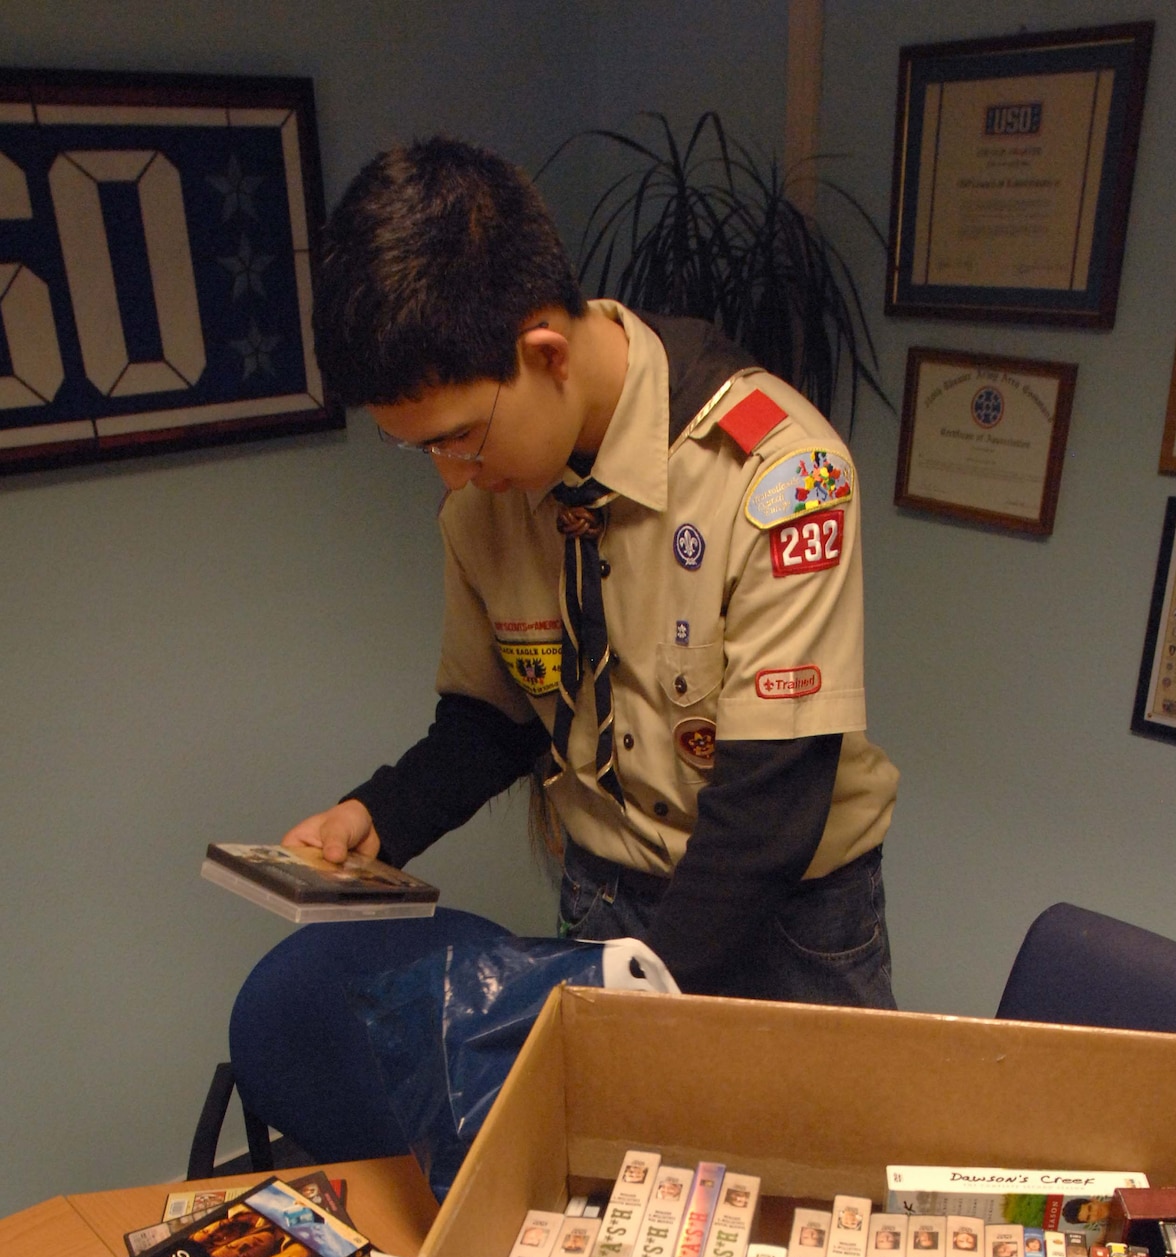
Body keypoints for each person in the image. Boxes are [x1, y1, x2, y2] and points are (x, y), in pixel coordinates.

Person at [233, 138, 900, 1155]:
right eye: (418, 449)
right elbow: (495, 716)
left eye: (459, 436)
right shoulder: (483, 508)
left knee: (826, 1210)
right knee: (612, 1213)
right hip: (604, 894)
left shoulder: (774, 471)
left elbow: (772, 801)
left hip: (784, 921)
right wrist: (380, 813)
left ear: (544, 351)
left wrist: (623, 1007)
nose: (452, 476)